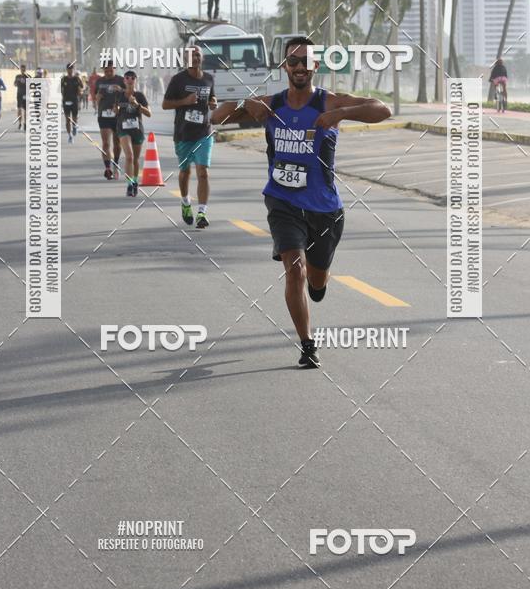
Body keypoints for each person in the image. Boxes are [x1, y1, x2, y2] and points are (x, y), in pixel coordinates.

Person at [211, 37, 391, 368]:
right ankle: (308, 344)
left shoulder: (328, 102)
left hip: (325, 208)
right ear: (285, 67)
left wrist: (342, 113)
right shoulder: (271, 105)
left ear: (315, 66)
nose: (299, 67)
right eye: (293, 61)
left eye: (305, 61)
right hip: (282, 202)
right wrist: (242, 103)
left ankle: (317, 284)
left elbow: (383, 109)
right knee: (294, 269)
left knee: (316, 281)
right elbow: (216, 117)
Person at [162, 46, 217, 228]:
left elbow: (212, 99)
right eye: (191, 55)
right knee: (185, 171)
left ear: (202, 58)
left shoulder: (209, 79)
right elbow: (165, 104)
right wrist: (184, 102)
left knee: (203, 172)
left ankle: (202, 212)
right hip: (184, 133)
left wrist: (213, 103)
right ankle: (186, 203)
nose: (195, 58)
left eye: (197, 55)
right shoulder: (178, 80)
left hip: (204, 132)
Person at [115, 71, 151, 197]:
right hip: (123, 129)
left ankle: (135, 181)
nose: (130, 79)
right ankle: (129, 184)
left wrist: (137, 105)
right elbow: (116, 109)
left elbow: (149, 113)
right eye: (127, 78)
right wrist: (116, 110)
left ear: (135, 80)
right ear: (124, 80)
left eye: (132, 78)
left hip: (137, 129)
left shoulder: (140, 95)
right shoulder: (119, 95)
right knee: (129, 156)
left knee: (135, 159)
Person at [96, 63, 125, 179]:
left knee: (117, 143)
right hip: (103, 115)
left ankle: (116, 164)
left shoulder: (121, 80)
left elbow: (130, 93)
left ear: (114, 69)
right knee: (106, 143)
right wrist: (97, 98)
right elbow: (95, 96)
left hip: (118, 116)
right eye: (106, 71)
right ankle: (108, 168)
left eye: (110, 71)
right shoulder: (99, 81)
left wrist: (121, 89)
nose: (108, 73)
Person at [60, 63, 84, 143]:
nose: (70, 70)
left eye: (71, 68)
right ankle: (70, 136)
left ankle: (74, 126)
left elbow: (82, 87)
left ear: (73, 69)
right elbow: (60, 90)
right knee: (67, 120)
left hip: (74, 101)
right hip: (66, 101)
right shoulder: (63, 79)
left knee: (74, 118)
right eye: (69, 69)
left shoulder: (77, 78)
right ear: (67, 70)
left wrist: (80, 92)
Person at [13, 64, 30, 131]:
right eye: (22, 69)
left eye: (24, 69)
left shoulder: (28, 76)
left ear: (25, 69)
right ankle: (20, 123)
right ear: (20, 69)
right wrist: (17, 83)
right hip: (19, 94)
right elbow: (14, 84)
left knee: (26, 110)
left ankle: (25, 123)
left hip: (26, 94)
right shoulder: (18, 76)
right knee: (19, 109)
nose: (23, 70)